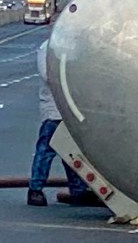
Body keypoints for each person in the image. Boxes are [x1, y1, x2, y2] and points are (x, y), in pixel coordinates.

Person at [28, 44, 93, 207]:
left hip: (73, 109)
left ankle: (78, 191)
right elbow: (50, 77)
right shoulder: (47, 48)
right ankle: (35, 189)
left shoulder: (74, 46)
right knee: (46, 150)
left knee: (73, 152)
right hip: (54, 109)